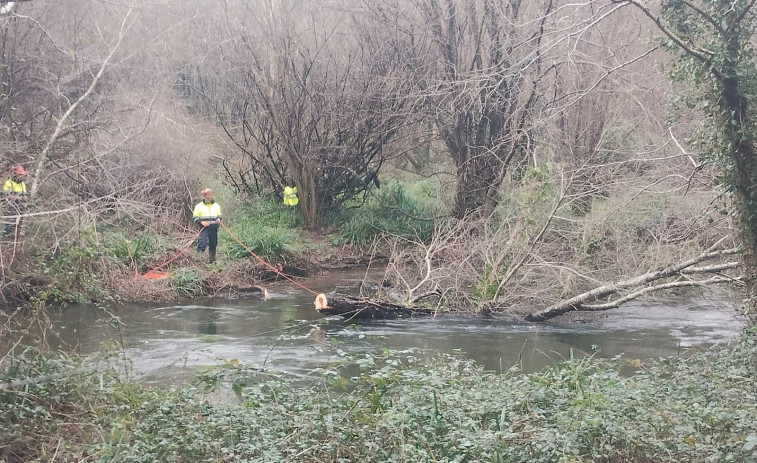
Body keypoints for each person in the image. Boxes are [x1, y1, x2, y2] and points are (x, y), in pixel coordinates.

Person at [192, 188, 222, 263]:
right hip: (204, 228)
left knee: (213, 243)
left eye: (211, 194)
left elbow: (219, 215)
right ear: (205, 196)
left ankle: (212, 260)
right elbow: (195, 217)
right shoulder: (198, 206)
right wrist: (201, 222)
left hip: (213, 228)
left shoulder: (216, 206)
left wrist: (218, 219)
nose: (211, 196)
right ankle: (199, 260)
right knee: (202, 242)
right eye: (209, 194)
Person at [2, 165, 28, 237]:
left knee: (20, 222)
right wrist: (19, 198)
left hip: (20, 206)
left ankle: (17, 235)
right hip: (10, 205)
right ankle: (6, 235)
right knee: (9, 221)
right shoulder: (8, 183)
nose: (21, 177)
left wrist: (24, 203)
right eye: (20, 175)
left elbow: (25, 196)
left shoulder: (22, 184)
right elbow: (6, 196)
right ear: (15, 175)